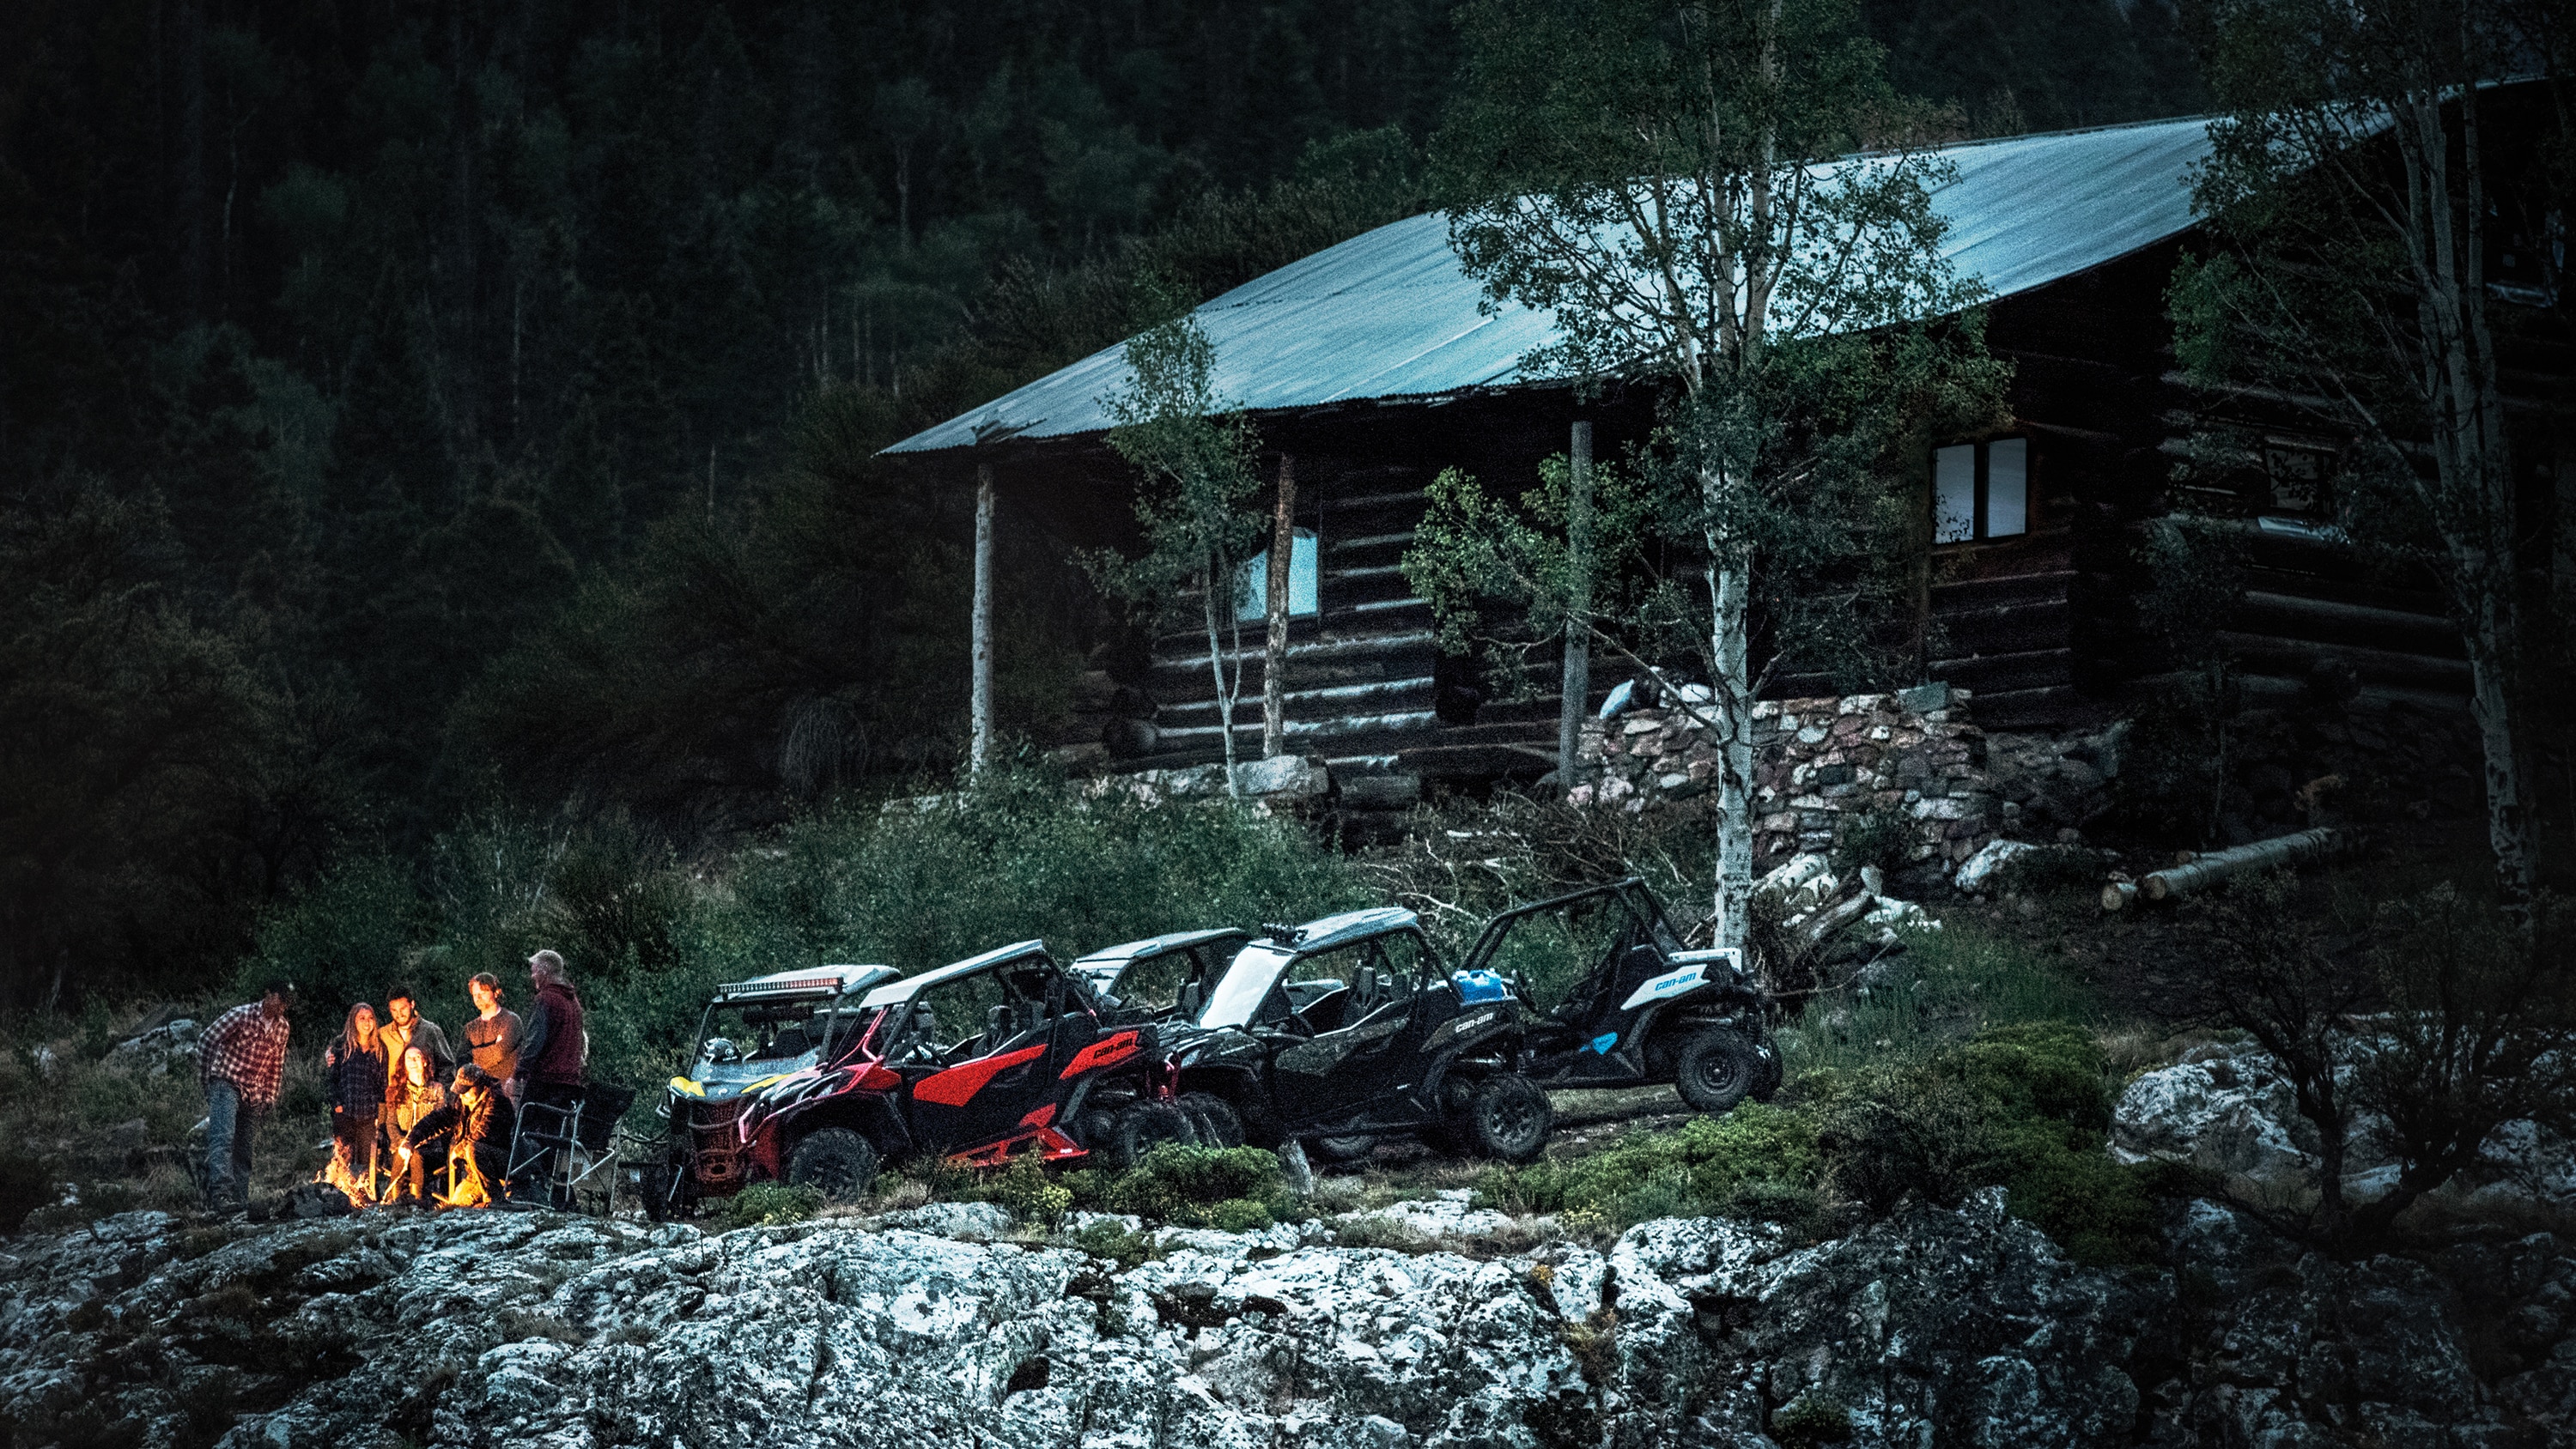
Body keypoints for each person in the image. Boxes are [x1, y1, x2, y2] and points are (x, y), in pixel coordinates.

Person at [196, 980, 295, 1213]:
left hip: (254, 1092)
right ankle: (221, 1194)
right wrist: (207, 1077)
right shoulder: (240, 1016)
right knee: (223, 1138)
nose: (281, 1007)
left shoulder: (282, 1028)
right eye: (279, 1000)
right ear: (268, 994)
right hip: (227, 1082)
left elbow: (276, 1065)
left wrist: (270, 1096)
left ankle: (239, 1201)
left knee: (245, 1148)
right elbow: (207, 1039)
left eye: (286, 1003)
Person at [511, 949, 587, 1205]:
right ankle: (559, 1195)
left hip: (545, 1079)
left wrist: (519, 1072)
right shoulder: (573, 1003)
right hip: (569, 1083)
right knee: (554, 1139)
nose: (532, 974)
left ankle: (521, 1189)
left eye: (534, 969)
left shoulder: (546, 999)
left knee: (521, 1132)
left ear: (544, 971)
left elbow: (535, 1040)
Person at [403, 1064, 516, 1206]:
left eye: (466, 1090)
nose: (462, 1095)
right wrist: (411, 1140)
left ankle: (495, 1199)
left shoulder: (497, 1102)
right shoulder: (461, 1104)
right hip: (475, 1173)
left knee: (472, 1149)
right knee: (455, 1206)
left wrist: (459, 1149)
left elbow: (483, 1133)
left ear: (479, 1085)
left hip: (502, 1164)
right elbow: (436, 1120)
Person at [322, 1003, 387, 1195]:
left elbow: (382, 1084)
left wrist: (381, 1113)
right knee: (344, 1157)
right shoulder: (342, 1047)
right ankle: (341, 1196)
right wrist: (337, 1105)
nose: (367, 1022)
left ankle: (365, 1197)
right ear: (353, 1021)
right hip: (346, 1111)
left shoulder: (379, 1049)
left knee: (367, 1160)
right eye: (362, 1018)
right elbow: (331, 1080)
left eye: (370, 1018)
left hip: (369, 1113)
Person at [383, 1046, 453, 1204]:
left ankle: (416, 1201)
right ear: (404, 1064)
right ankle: (396, 1200)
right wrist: (402, 1142)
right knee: (403, 1154)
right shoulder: (396, 1091)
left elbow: (440, 1122)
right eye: (409, 1058)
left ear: (425, 1062)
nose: (413, 1061)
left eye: (417, 1057)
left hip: (430, 1148)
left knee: (416, 1155)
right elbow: (391, 1124)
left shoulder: (437, 1090)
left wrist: (414, 1143)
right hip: (401, 1146)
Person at [459, 973, 524, 1102]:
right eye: (474, 994)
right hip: (477, 1095)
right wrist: (491, 1049)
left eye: (483, 993)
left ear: (496, 992)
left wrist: (472, 1054)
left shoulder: (511, 1020)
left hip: (506, 1092)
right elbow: (461, 1060)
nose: (478, 998)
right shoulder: (469, 1028)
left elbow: (499, 1052)